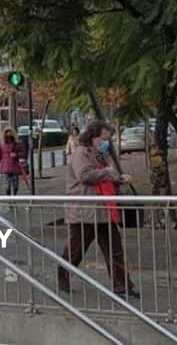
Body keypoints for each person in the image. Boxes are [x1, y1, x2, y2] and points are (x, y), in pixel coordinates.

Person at [58, 120, 139, 299]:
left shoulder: (101, 155)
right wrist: (108, 173)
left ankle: (122, 285)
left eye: (108, 139)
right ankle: (63, 278)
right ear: (93, 137)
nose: (106, 142)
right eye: (103, 138)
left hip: (103, 209)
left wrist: (118, 179)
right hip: (84, 211)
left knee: (114, 250)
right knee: (75, 250)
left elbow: (106, 175)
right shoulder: (81, 153)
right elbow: (85, 175)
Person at [0, 127, 26, 196]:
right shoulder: (2, 144)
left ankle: (14, 196)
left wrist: (16, 155)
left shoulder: (17, 143)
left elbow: (23, 153)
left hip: (15, 166)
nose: (8, 134)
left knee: (15, 184)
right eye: (6, 132)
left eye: (10, 132)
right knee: (7, 185)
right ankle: (9, 198)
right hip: (6, 167)